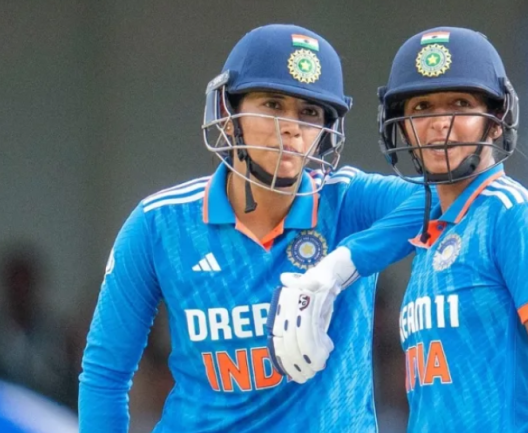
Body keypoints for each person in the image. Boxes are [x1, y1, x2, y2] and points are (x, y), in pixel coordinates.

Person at [79, 24, 426, 432]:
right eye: (273, 105)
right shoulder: (160, 223)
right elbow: (105, 375)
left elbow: (444, 200)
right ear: (229, 115)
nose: (291, 127)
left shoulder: (347, 201)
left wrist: (341, 267)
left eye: (309, 112)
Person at [287, 27, 528, 432]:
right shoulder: (434, 232)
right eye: (421, 107)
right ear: (400, 125)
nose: (439, 124)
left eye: (460, 104)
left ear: (497, 121)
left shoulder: (515, 218)